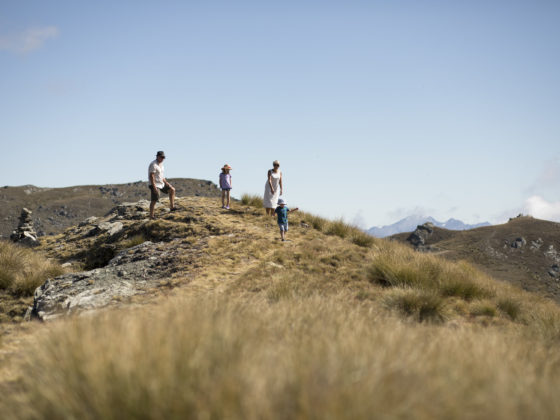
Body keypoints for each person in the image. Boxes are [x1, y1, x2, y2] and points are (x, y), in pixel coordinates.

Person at [148, 151, 176, 219]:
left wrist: (166, 183)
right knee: (154, 199)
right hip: (154, 184)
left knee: (172, 189)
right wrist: (154, 187)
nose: (162, 158)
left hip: (161, 183)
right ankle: (151, 216)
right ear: (157, 156)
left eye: (163, 157)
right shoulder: (153, 164)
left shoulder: (161, 165)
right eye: (161, 157)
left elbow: (161, 176)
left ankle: (172, 207)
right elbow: (151, 176)